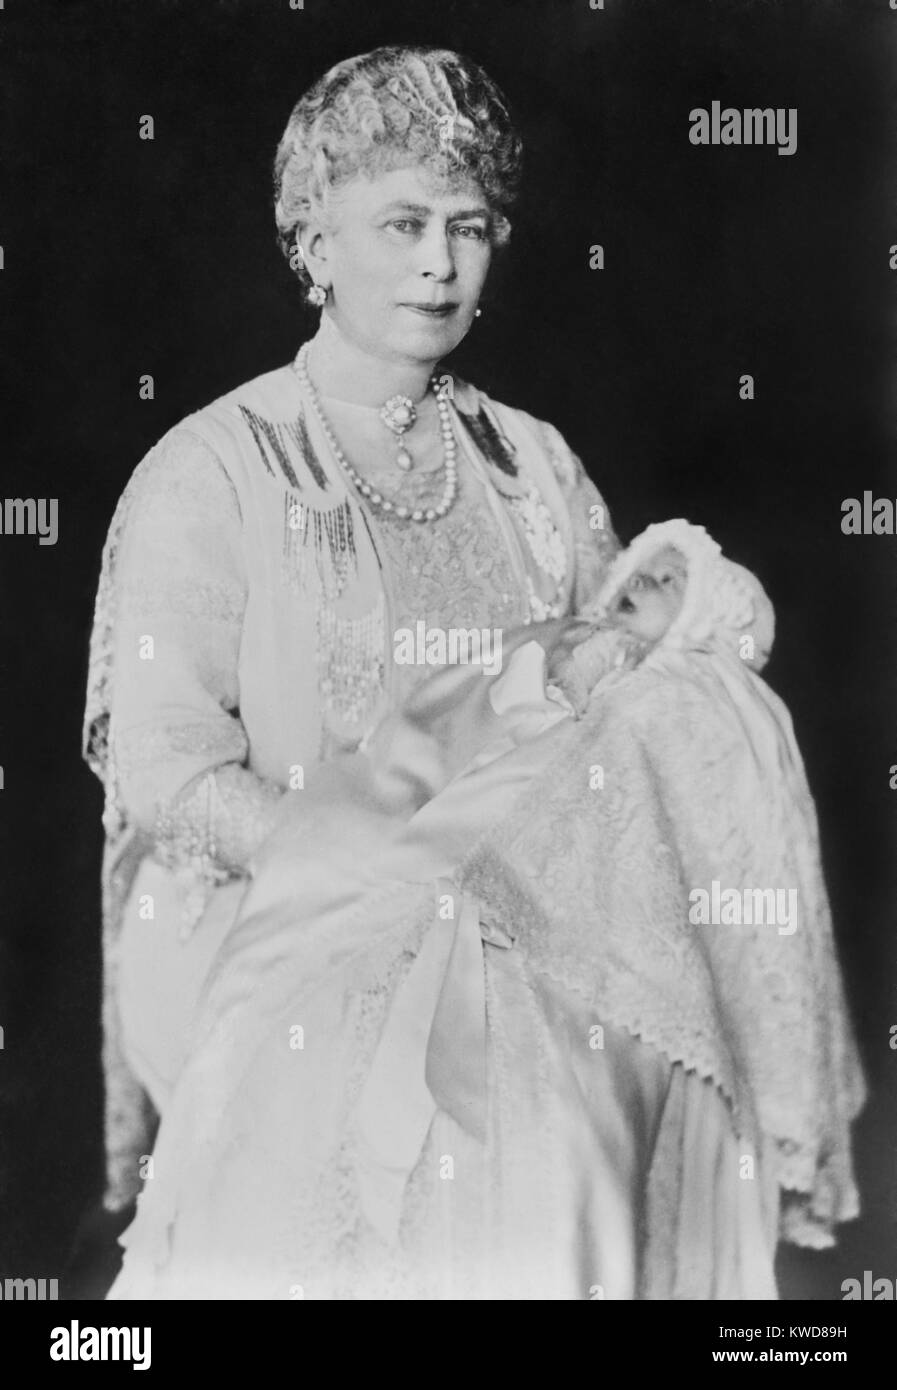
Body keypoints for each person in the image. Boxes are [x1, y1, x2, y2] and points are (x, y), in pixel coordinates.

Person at [82, 44, 860, 1298]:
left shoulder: (530, 467)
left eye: (472, 226)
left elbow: (617, 679)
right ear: (311, 241)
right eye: (401, 223)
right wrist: (356, 861)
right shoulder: (213, 466)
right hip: (308, 956)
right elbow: (163, 758)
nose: (440, 263)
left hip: (545, 966)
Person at [105, 520, 865, 1299]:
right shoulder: (547, 644)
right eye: (641, 571)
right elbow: (426, 736)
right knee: (313, 1035)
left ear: (708, 618)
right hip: (442, 848)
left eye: (671, 584)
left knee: (522, 1130)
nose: (640, 585)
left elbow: (694, 850)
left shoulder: (695, 705)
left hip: (568, 924)